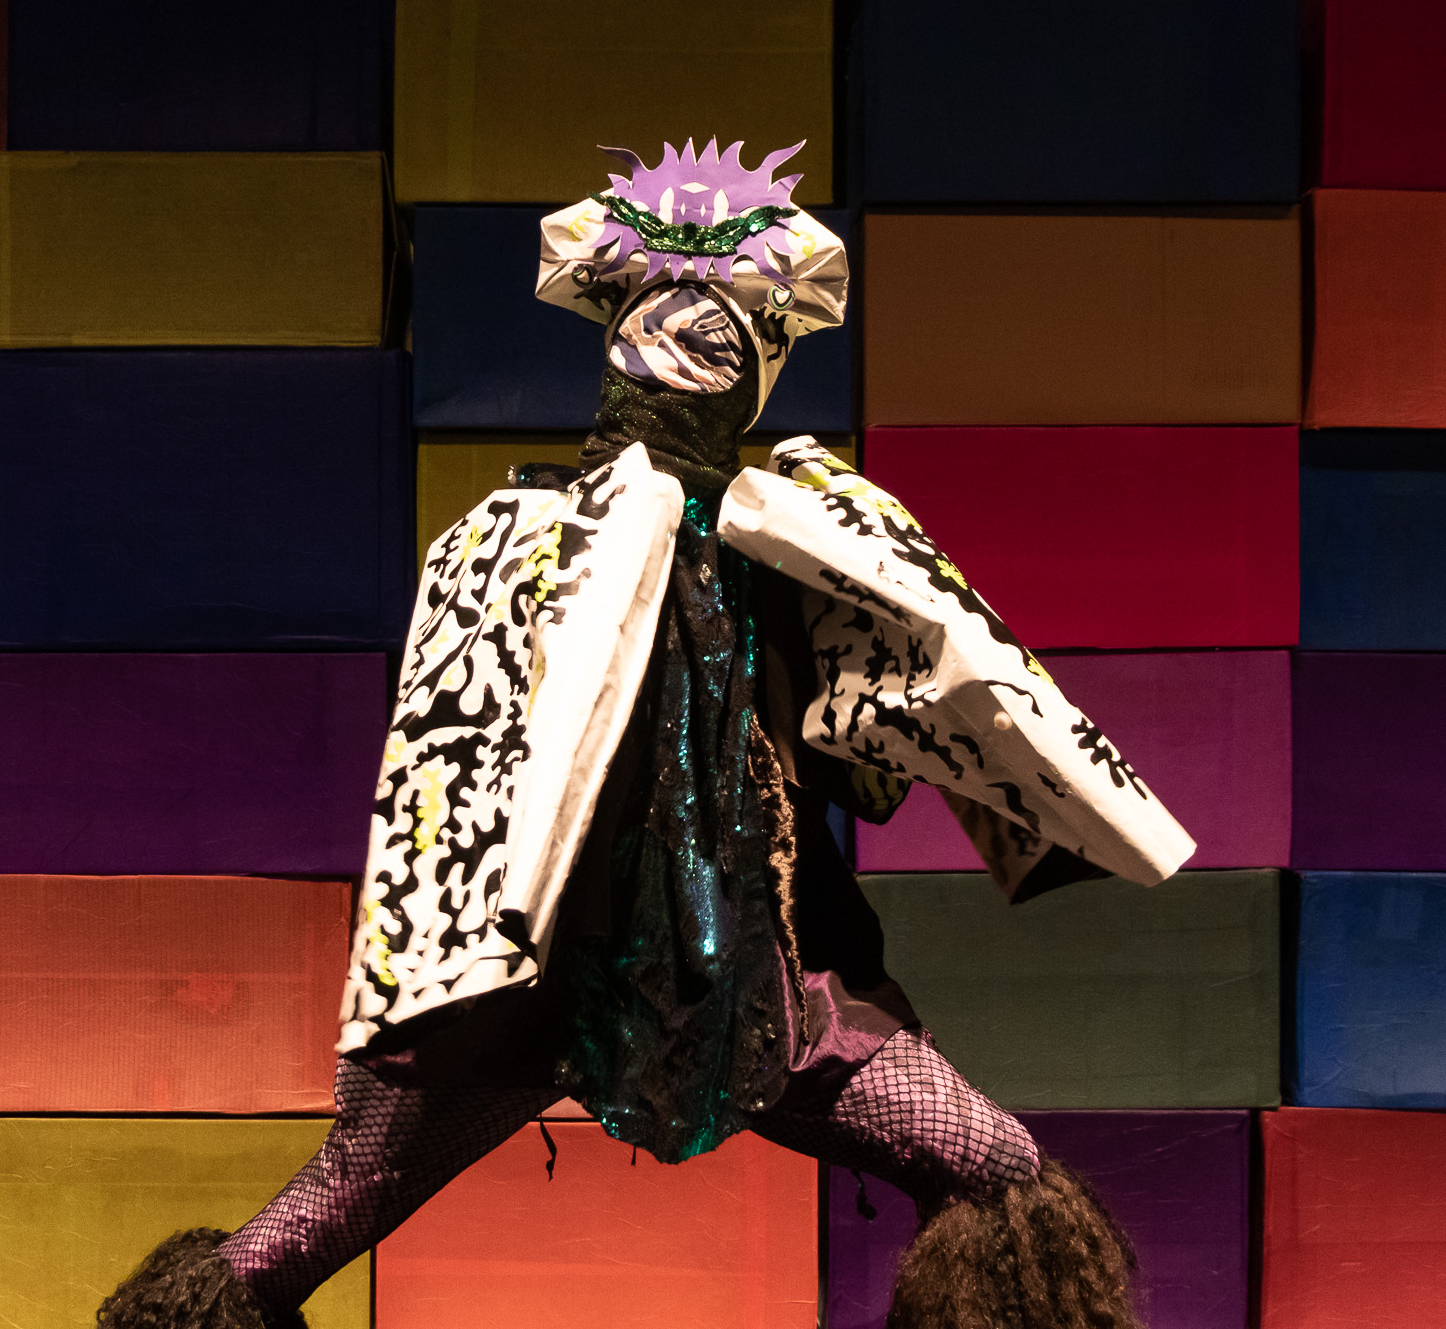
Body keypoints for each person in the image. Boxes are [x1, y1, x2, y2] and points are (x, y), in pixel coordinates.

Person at [98, 139, 1188, 1329]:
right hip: (519, 992)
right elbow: (445, 776)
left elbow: (888, 701)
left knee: (996, 1176)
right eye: (664, 327)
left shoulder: (790, 538)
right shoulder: (513, 545)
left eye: (717, 334)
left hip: (761, 988)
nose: (686, 354)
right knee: (315, 1218)